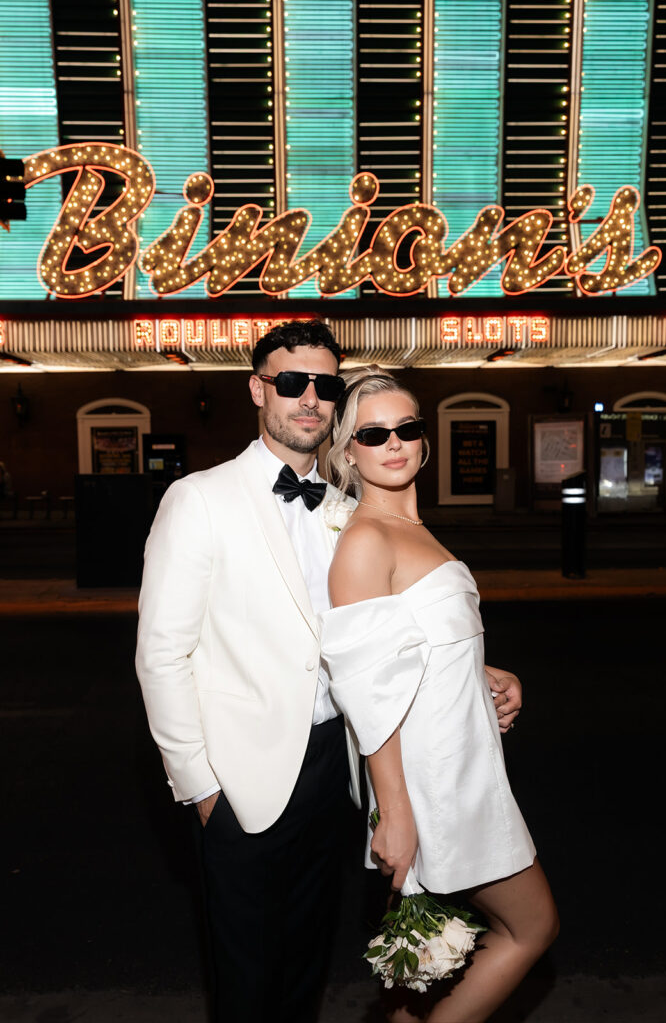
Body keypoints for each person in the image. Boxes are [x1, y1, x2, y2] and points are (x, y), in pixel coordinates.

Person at [136, 321, 523, 1023]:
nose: (308, 398)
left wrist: (477, 668)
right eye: (290, 382)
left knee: (307, 968)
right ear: (258, 389)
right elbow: (161, 654)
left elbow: (375, 638)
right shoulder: (200, 499)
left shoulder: (351, 509)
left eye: (324, 385)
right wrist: (200, 788)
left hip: (337, 770)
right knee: (247, 982)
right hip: (241, 779)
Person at [321, 367, 559, 1023]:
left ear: (424, 440)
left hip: (461, 766)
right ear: (347, 452)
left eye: (407, 428)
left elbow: (415, 648)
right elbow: (368, 692)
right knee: (529, 929)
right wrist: (394, 815)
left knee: (421, 967)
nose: (393, 443)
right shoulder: (366, 541)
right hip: (434, 785)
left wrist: (485, 670)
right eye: (373, 433)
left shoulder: (414, 531)